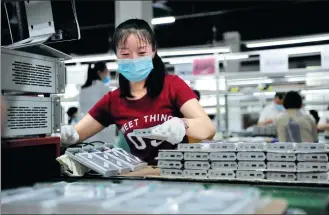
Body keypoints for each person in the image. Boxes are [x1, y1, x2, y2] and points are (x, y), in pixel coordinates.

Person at [61, 19, 216, 165]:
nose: (134, 60)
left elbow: (208, 128)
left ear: (153, 51)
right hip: (142, 179)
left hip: (180, 176)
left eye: (141, 53)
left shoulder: (172, 86)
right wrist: (68, 135)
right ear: (116, 55)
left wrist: (182, 124)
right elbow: (77, 133)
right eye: (125, 54)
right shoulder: (113, 100)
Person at [79, 61, 113, 143]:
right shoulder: (105, 90)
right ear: (99, 72)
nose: (107, 74)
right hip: (103, 133)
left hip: (86, 131)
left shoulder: (83, 90)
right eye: (106, 71)